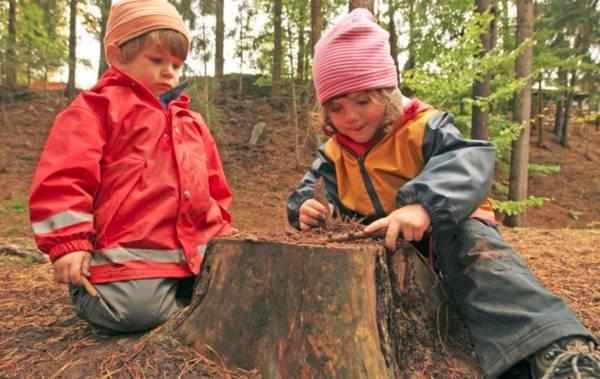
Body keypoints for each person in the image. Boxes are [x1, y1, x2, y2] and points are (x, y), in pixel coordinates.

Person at [287, 8, 599, 379]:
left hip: (451, 227)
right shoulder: (334, 153)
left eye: (363, 101)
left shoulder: (422, 127)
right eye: (336, 107)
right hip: (387, 245)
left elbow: (468, 161)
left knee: (479, 260)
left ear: (387, 95)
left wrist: (424, 205)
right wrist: (305, 209)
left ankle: (556, 346)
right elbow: (310, 191)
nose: (351, 117)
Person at [29, 0, 232, 334]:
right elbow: (64, 179)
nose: (170, 72)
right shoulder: (95, 110)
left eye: (177, 65)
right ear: (116, 53)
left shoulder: (193, 123)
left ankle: (184, 306)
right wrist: (68, 243)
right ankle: (102, 295)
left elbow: (216, 188)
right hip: (125, 260)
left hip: (194, 256)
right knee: (131, 312)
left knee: (232, 293)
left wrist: (221, 234)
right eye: (157, 60)